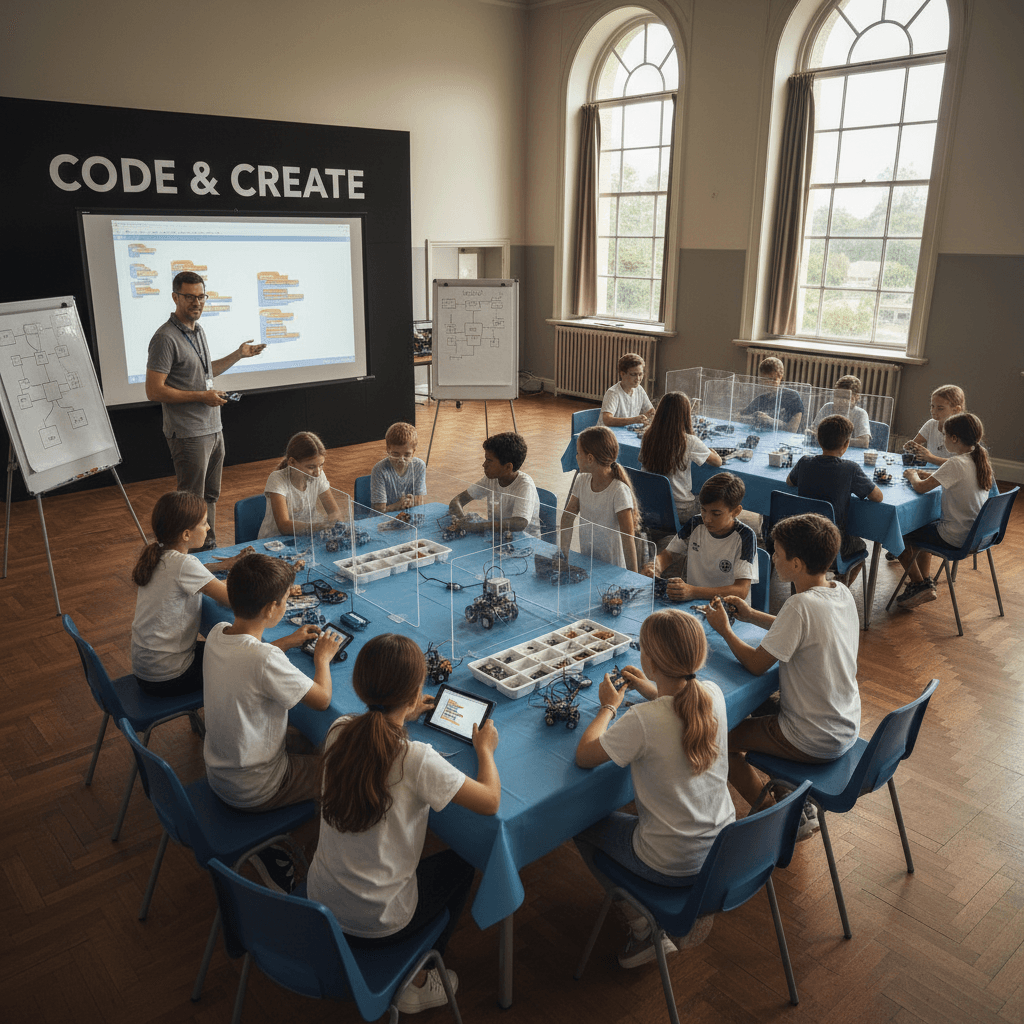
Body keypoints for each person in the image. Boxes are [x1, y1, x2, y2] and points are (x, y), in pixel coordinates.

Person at [307, 633, 501, 1014]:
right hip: (381, 923)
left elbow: (377, 728)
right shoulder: (415, 758)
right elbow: (490, 801)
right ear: (415, 695)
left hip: (322, 907)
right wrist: (485, 751)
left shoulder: (338, 730)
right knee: (462, 864)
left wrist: (404, 712)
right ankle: (416, 978)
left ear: (359, 685)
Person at [573, 609, 734, 968]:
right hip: (720, 853)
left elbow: (585, 755)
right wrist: (652, 689)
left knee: (580, 827)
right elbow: (676, 707)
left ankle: (642, 926)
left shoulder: (642, 721)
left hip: (669, 861)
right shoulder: (713, 693)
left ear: (649, 659)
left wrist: (607, 708)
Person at [704, 513, 860, 838]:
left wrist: (726, 629)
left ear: (797, 564)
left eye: (777, 553)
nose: (772, 558)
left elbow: (756, 664)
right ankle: (792, 798)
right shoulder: (840, 592)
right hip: (843, 723)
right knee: (759, 706)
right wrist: (749, 615)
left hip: (811, 736)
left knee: (716, 743)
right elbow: (798, 629)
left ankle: (780, 817)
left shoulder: (799, 605)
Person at [203, 553, 343, 887]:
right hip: (255, 787)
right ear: (271, 609)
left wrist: (285, 643)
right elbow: (322, 700)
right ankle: (291, 857)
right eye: (284, 601)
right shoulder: (264, 658)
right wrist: (322, 658)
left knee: (312, 739)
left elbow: (250, 656)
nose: (285, 606)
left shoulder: (218, 632)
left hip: (220, 769)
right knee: (345, 773)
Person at [145, 271, 267, 550]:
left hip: (213, 427)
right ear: (175, 297)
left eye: (201, 297)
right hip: (188, 432)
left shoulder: (198, 330)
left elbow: (206, 372)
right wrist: (202, 396)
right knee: (190, 501)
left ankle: (207, 547)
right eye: (189, 297)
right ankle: (188, 556)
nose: (196, 302)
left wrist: (239, 355)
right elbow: (154, 390)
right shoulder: (165, 338)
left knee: (210, 495)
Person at [130, 491, 236, 697]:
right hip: (170, 676)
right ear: (186, 535)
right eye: (204, 523)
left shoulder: (159, 555)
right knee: (241, 661)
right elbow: (232, 599)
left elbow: (188, 574)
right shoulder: (185, 564)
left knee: (224, 649)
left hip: (147, 668)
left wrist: (220, 567)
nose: (209, 527)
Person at [895, 412, 993, 610]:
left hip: (955, 537)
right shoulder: (977, 458)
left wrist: (913, 475)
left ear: (954, 438)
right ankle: (924, 583)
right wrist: (930, 474)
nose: (944, 439)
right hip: (976, 535)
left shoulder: (955, 463)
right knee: (924, 526)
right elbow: (953, 476)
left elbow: (921, 487)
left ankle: (918, 583)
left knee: (898, 532)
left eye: (945, 436)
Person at [787, 414, 883, 582]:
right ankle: (840, 589)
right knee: (861, 547)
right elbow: (878, 497)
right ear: (846, 445)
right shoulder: (850, 468)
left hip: (801, 540)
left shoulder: (804, 462)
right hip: (833, 544)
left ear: (818, 440)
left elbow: (789, 482)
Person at [642, 472, 758, 602]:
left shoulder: (745, 537)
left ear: (736, 511)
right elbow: (669, 555)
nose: (707, 519)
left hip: (728, 608)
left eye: (716, 514)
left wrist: (693, 591)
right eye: (703, 510)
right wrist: (656, 565)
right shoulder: (695, 524)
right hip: (694, 601)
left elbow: (741, 590)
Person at [560, 425, 641, 570]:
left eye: (578, 453)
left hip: (613, 568)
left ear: (590, 458)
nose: (576, 457)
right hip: (588, 562)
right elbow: (567, 517)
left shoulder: (619, 491)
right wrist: (564, 555)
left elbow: (628, 538)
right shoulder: (581, 480)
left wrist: (632, 577)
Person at [639, 390, 722, 522]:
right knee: (718, 501)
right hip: (681, 510)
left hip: (652, 505)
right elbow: (717, 462)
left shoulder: (648, 436)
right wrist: (712, 452)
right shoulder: (689, 441)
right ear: (685, 415)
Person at [448, 432, 540, 536]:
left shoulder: (525, 486)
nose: (484, 464)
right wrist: (462, 522)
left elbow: (520, 523)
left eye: (489, 461)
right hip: (498, 536)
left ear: (507, 467)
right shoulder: (491, 479)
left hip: (524, 542)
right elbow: (457, 500)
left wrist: (475, 527)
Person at [258, 431, 341, 539]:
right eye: (311, 467)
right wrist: (320, 526)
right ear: (292, 462)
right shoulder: (277, 479)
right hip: (275, 540)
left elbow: (335, 511)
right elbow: (283, 526)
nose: (318, 473)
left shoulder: (318, 474)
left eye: (321, 465)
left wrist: (336, 522)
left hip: (305, 535)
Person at [904, 384, 967, 467]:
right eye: (932, 406)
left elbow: (961, 464)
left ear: (956, 410)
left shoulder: (964, 431)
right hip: (932, 473)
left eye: (940, 408)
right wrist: (911, 447)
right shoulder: (931, 424)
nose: (933, 411)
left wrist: (930, 458)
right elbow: (916, 443)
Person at [371, 422, 426, 512]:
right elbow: (378, 511)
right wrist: (398, 505)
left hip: (408, 516)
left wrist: (411, 502)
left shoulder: (419, 466)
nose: (401, 460)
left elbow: (419, 503)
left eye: (407, 454)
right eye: (395, 454)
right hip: (383, 520)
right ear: (388, 449)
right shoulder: (379, 469)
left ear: (414, 452)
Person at [740, 356, 804, 432]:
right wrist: (752, 417)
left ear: (781, 377)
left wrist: (769, 420)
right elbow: (739, 416)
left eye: (772, 379)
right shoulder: (761, 399)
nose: (768, 383)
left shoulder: (793, 397)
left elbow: (793, 429)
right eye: (764, 380)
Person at [809, 375, 872, 447]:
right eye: (837, 396)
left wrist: (833, 440)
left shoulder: (860, 414)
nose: (839, 401)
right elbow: (813, 429)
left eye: (845, 397)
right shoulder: (828, 407)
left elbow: (864, 442)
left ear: (855, 397)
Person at [601, 352, 655, 427]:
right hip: (610, 434)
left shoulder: (639, 389)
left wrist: (651, 414)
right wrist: (634, 420)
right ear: (622, 374)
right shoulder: (613, 393)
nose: (638, 379)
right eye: (633, 375)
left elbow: (650, 411)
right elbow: (607, 420)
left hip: (626, 431)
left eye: (640, 374)